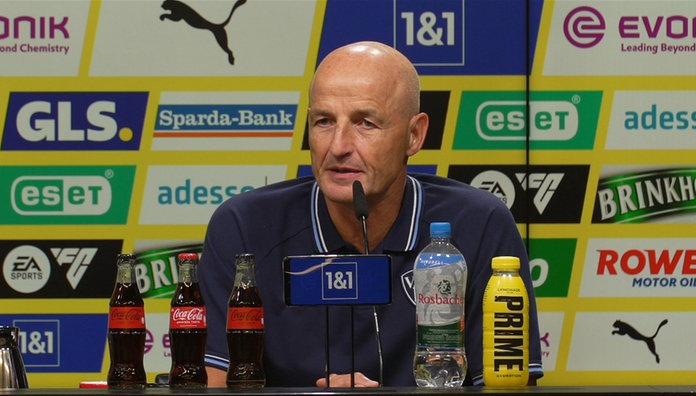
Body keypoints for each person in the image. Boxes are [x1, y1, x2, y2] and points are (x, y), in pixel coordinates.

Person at [198, 41, 543, 388]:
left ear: (414, 135)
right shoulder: (244, 227)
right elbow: (214, 384)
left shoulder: (479, 226)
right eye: (324, 121)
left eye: (365, 123)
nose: (338, 146)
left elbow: (509, 388)